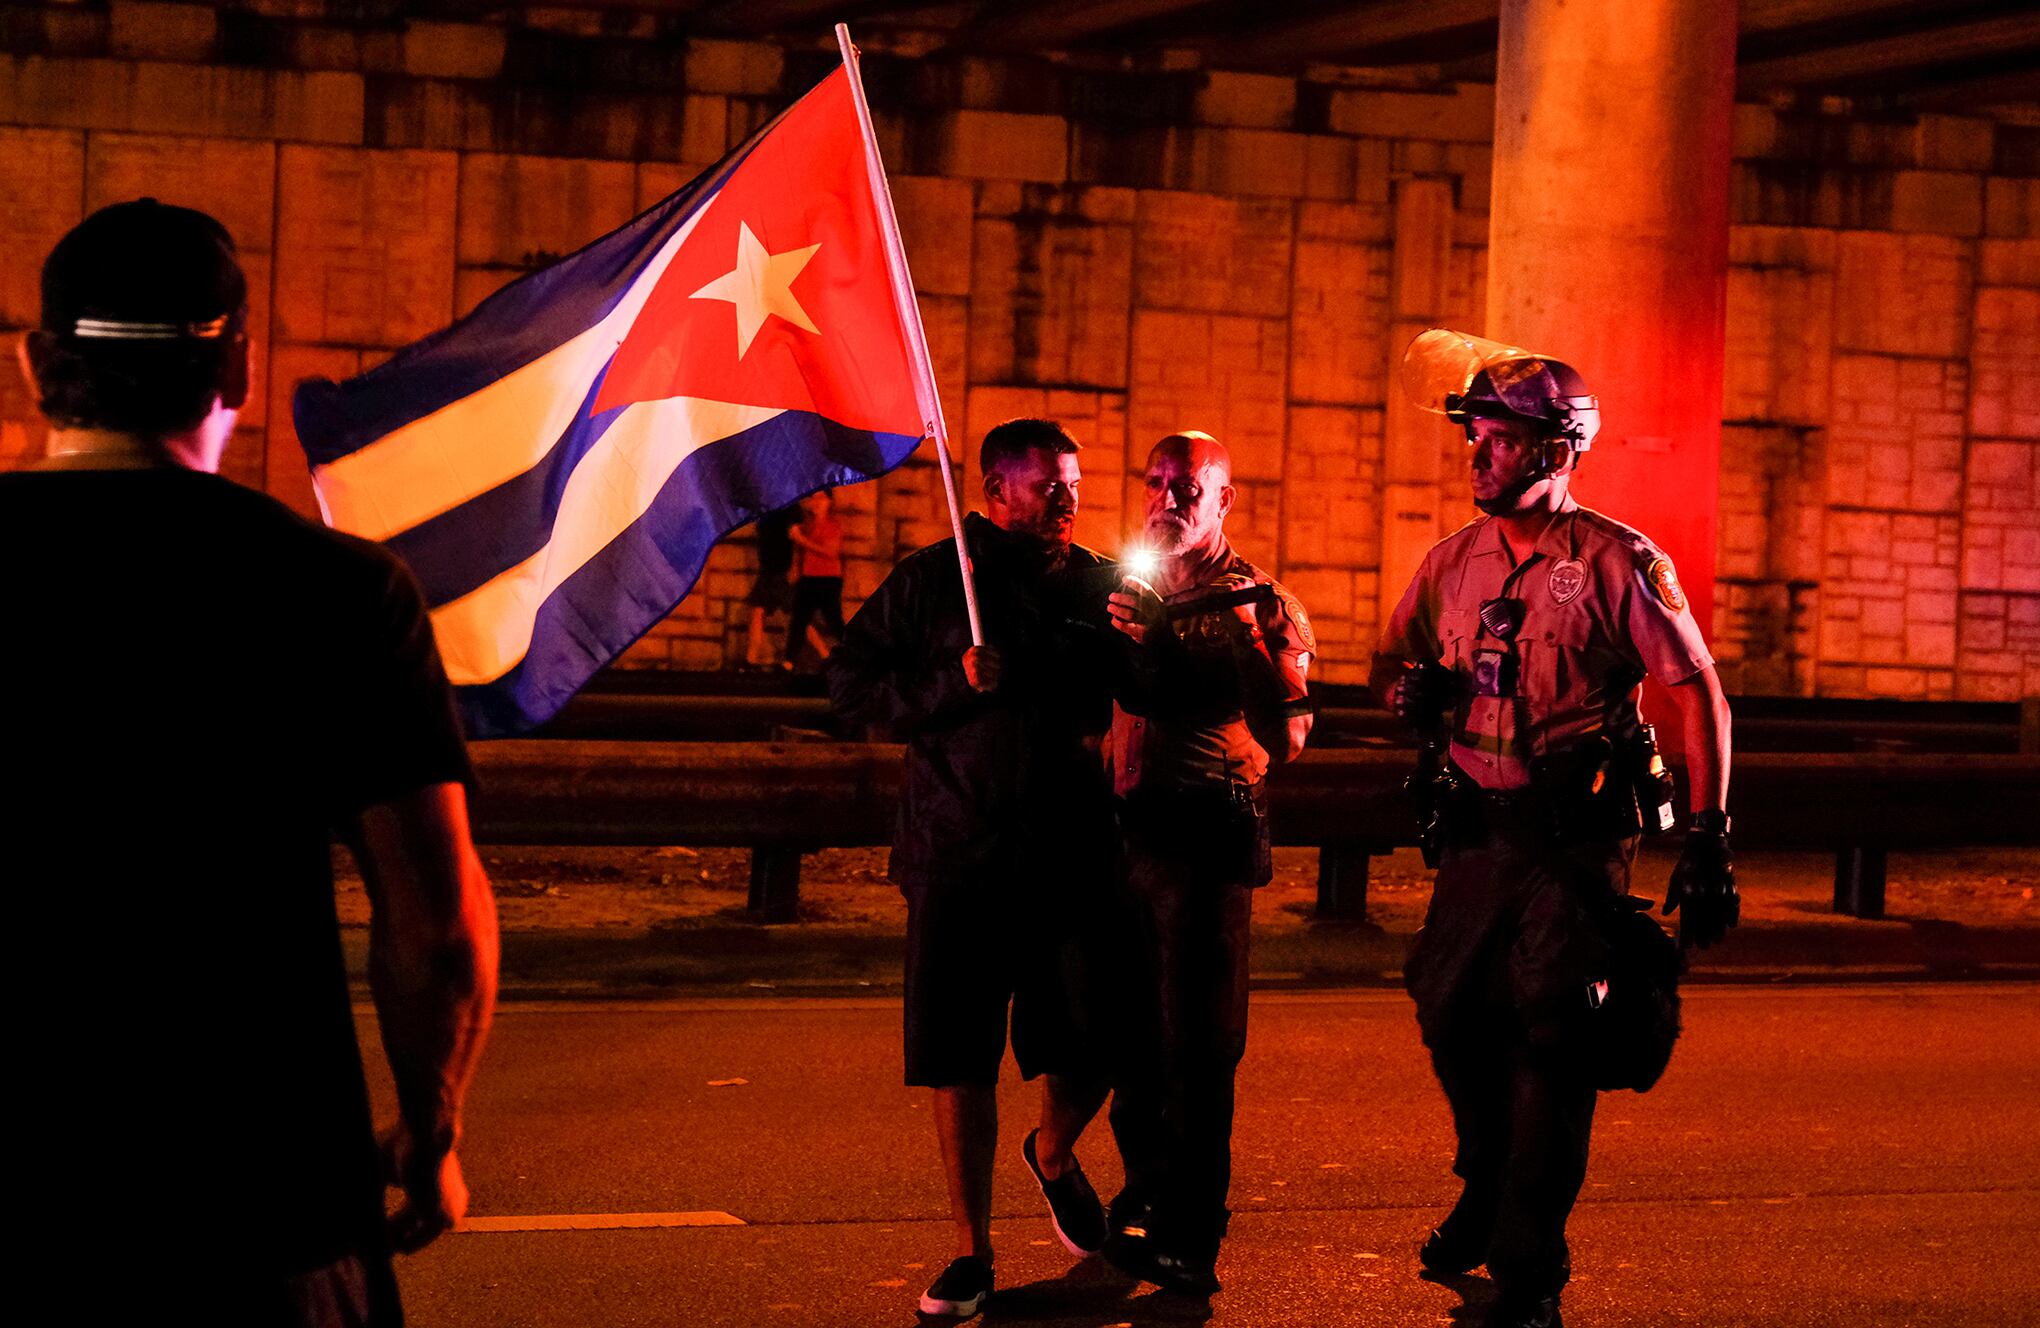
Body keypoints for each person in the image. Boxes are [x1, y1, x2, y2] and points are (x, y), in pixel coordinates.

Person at [5, 199, 499, 1324]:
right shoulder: (333, 591)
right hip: (261, 1211)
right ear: (236, 364)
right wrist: (431, 1134)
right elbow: (434, 924)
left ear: (39, 366)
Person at [1372, 329, 1738, 1328]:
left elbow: (1695, 690)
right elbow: (1385, 659)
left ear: (1555, 447)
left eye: (1494, 436)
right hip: (1478, 833)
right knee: (1448, 1010)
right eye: (1474, 435)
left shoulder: (1619, 562)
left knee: (1551, 1029)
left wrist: (1707, 834)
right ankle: (1487, 1176)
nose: (1475, 451)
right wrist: (1411, 690)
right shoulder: (1451, 563)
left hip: (1575, 838)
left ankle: (1530, 1263)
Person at [825, 419, 1121, 1318]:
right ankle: (971, 1251)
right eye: (1047, 485)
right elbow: (849, 689)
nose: (1066, 499)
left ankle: (1056, 1150)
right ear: (998, 488)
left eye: (1073, 483)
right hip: (958, 851)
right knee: (959, 1055)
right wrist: (951, 681)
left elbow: (1136, 690)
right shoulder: (932, 579)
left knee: (1095, 1034)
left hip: (1069, 850)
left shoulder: (1100, 583)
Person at [1102, 430, 1316, 1296]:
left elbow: (1293, 736)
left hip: (1204, 840)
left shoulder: (1261, 601)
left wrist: (1235, 643)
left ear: (1224, 500)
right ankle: (1145, 1189)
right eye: (1156, 483)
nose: (1168, 499)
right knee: (1131, 1042)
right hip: (1125, 837)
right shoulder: (1125, 589)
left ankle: (1194, 1233)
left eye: (1188, 487)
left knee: (1198, 1047)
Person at [785, 487, 845, 667]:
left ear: (829, 502)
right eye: (813, 498)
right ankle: (789, 661)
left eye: (821, 499)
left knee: (834, 620)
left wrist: (801, 540)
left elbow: (830, 552)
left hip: (828, 578)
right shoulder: (807, 525)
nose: (816, 503)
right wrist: (795, 568)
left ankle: (857, 657)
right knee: (799, 620)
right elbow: (799, 551)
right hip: (808, 577)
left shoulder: (833, 525)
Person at [743, 506, 795, 669]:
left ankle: (824, 654)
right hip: (768, 569)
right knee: (758, 611)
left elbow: (796, 538)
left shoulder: (790, 508)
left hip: (779, 570)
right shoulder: (766, 509)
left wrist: (794, 569)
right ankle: (751, 658)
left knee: (796, 617)